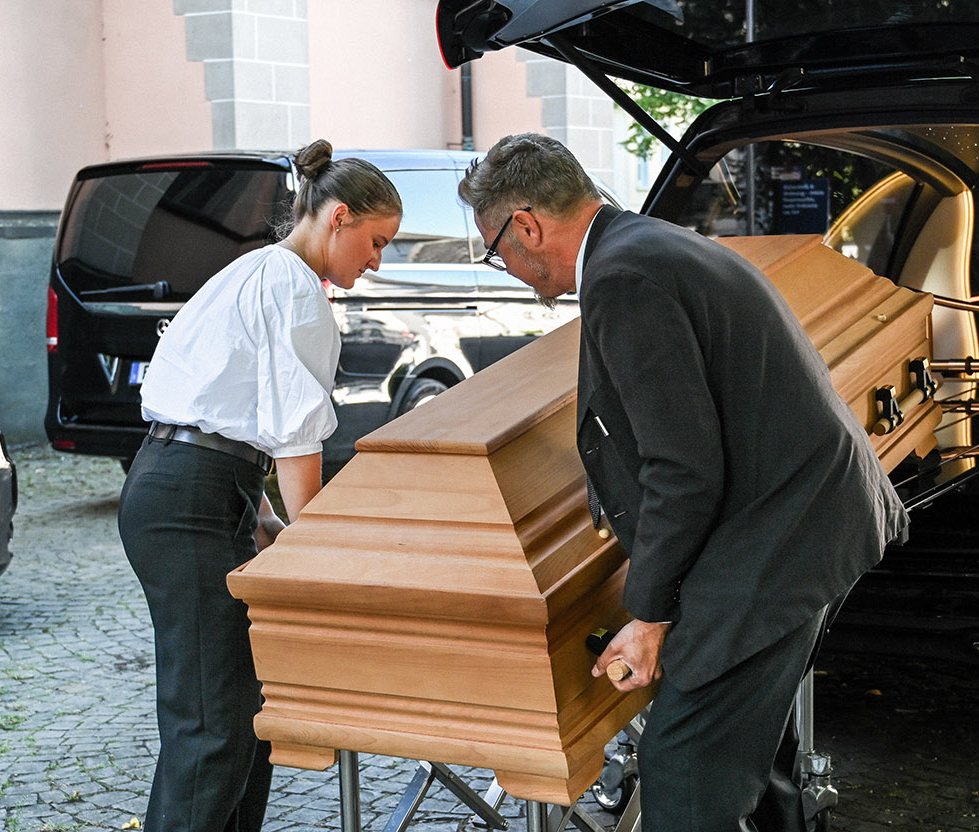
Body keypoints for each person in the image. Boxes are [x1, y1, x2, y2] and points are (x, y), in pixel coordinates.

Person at [457, 133, 906, 832]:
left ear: (526, 226)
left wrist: (650, 614)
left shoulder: (624, 277)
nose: (508, 268)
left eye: (497, 251)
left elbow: (684, 470)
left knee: (683, 771)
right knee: (753, 751)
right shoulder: (647, 245)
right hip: (802, 519)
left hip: (778, 539)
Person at [118, 139, 400, 832]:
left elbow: (242, 420)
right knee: (212, 726)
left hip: (187, 487)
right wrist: (322, 560)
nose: (377, 260)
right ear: (338, 217)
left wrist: (264, 518)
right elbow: (297, 445)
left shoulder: (261, 270)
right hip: (187, 499)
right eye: (376, 240)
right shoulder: (297, 290)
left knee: (246, 717)